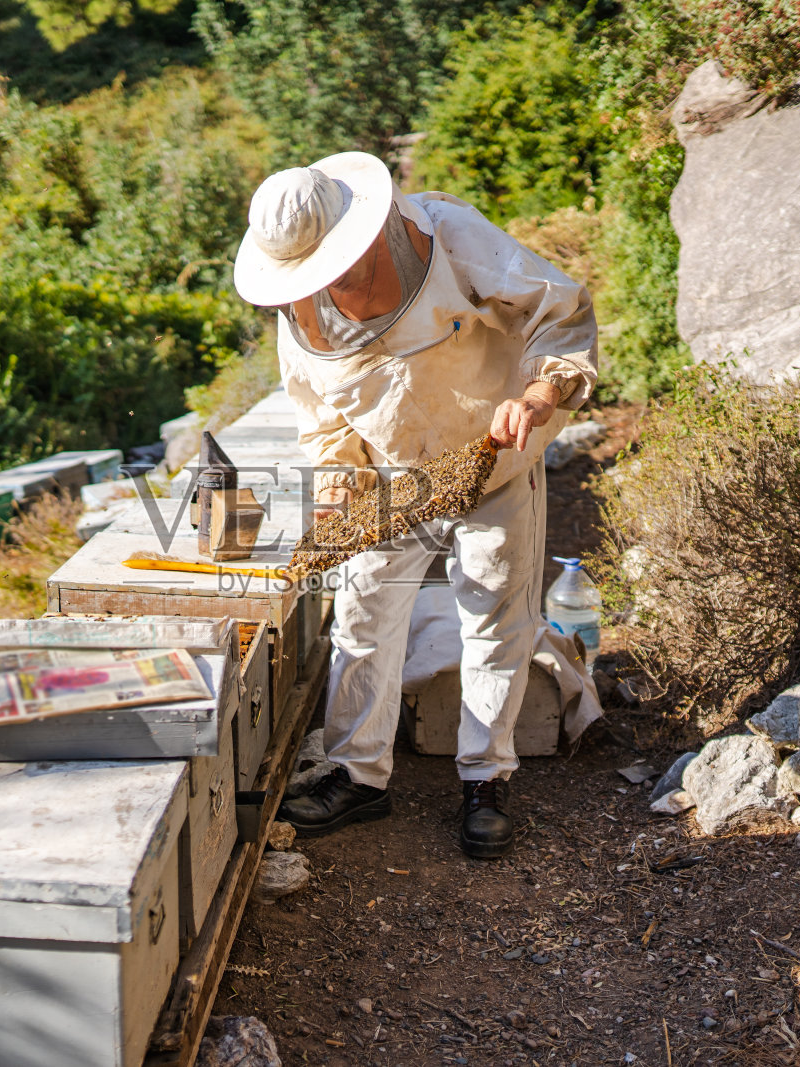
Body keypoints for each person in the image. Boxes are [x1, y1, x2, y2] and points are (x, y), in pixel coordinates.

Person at [232, 152, 599, 859]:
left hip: (493, 460)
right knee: (363, 614)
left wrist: (538, 394)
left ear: (366, 231)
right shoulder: (299, 315)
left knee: (496, 611)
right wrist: (340, 485)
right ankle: (359, 773)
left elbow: (558, 305)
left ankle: (485, 777)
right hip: (392, 479)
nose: (323, 286)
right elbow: (322, 413)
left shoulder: (451, 238)